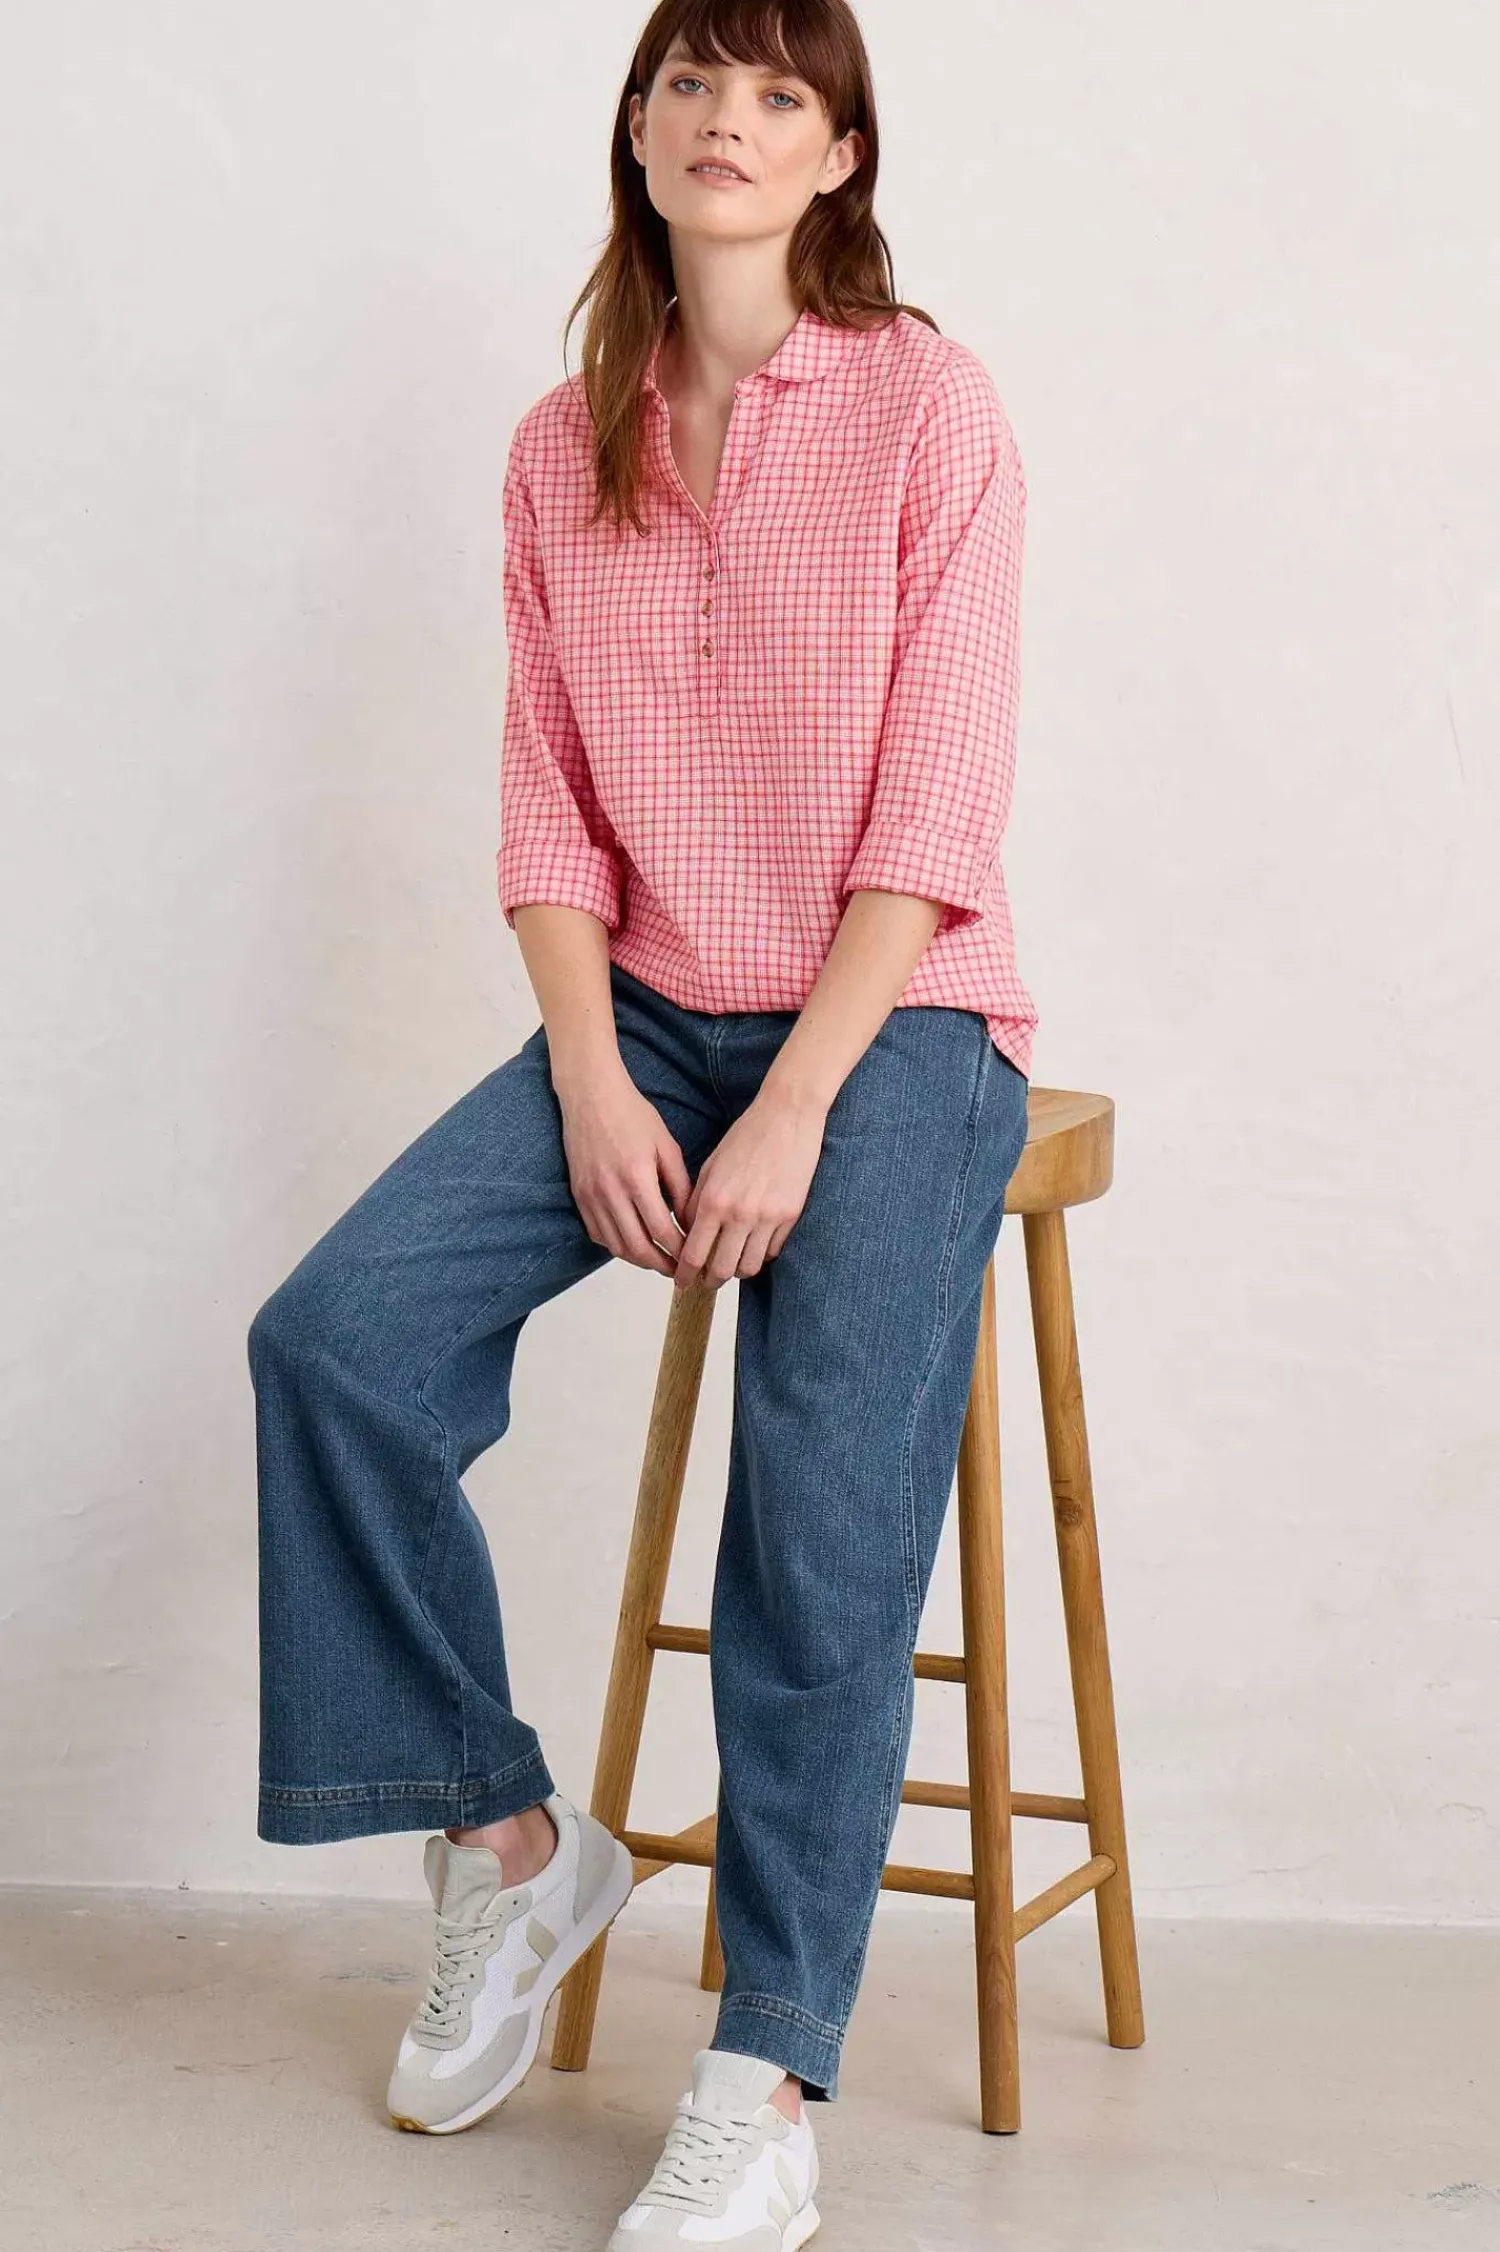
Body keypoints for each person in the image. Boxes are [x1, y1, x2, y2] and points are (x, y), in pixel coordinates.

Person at [247, 3, 1038, 2245]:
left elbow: (937, 807)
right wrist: (596, 1073)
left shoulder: (929, 409)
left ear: (840, 154)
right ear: (638, 118)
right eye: (695, 79)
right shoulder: (559, 441)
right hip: (649, 1017)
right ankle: (510, 1843)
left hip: (896, 1022)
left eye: (781, 94)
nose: (729, 121)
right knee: (334, 1344)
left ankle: (766, 2072)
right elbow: (546, 811)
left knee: (813, 1524)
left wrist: (795, 1102)